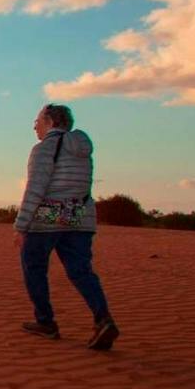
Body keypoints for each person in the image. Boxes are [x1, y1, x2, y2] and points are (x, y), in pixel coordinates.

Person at [14, 103, 119, 349]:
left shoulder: (44, 149)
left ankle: (46, 322)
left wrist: (21, 225)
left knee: (34, 267)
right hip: (80, 216)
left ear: (50, 122)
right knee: (81, 271)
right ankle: (103, 319)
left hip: (49, 216)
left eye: (37, 120)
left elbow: (36, 188)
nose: (34, 126)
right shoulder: (82, 149)